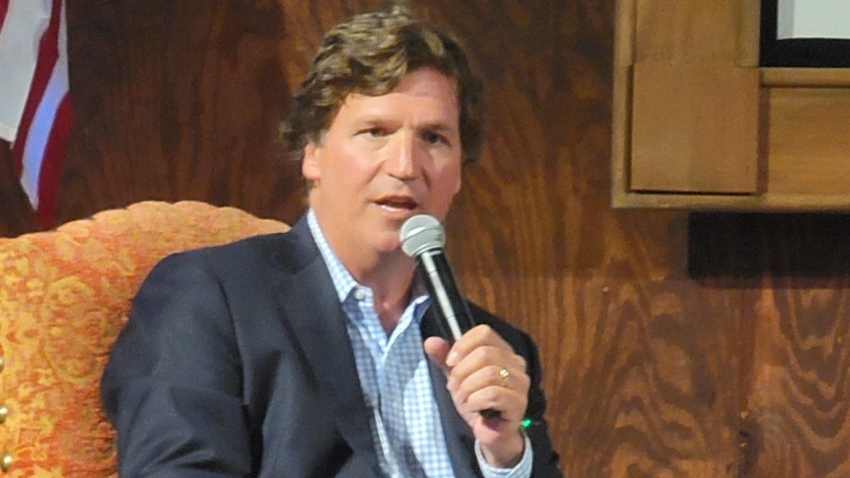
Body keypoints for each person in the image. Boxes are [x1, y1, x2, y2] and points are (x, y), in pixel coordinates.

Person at [101, 4, 562, 477]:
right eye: (375, 132)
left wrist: (505, 454)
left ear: (459, 172)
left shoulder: (496, 349)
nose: (406, 165)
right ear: (313, 155)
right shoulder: (210, 298)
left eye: (434, 138)